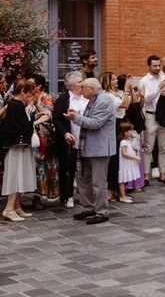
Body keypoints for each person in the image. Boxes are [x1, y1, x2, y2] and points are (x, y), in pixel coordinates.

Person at [64, 78, 116, 225]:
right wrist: (77, 116)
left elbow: (96, 123)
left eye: (83, 88)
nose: (81, 90)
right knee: (82, 178)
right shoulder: (95, 98)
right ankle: (89, 208)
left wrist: (76, 117)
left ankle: (102, 212)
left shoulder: (104, 100)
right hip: (87, 146)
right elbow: (89, 119)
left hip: (99, 148)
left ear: (91, 89)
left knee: (99, 182)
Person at [1, 79, 36, 222]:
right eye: (28, 94)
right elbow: (21, 127)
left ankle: (16, 206)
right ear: (22, 91)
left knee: (20, 174)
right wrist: (35, 119)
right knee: (16, 175)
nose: (28, 97)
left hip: (18, 146)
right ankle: (9, 208)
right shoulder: (16, 105)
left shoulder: (16, 105)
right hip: (16, 147)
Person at [53, 71, 88, 209]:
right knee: (68, 168)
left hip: (86, 140)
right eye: (80, 82)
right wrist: (65, 133)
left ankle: (85, 196)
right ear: (71, 86)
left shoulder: (87, 97)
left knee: (85, 169)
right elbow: (56, 118)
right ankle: (67, 196)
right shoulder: (63, 99)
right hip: (69, 140)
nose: (83, 83)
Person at [139, 55, 165, 185]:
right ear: (149, 66)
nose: (158, 68)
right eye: (155, 66)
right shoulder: (144, 81)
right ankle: (146, 175)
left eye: (159, 65)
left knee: (164, 147)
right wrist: (158, 88)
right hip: (151, 115)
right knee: (148, 147)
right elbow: (146, 98)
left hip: (164, 115)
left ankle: (162, 174)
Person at [101, 72, 131, 202]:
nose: (116, 81)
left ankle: (118, 188)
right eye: (113, 79)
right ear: (107, 82)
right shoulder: (107, 96)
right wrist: (126, 90)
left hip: (122, 122)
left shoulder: (116, 93)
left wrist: (129, 90)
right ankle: (109, 190)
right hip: (114, 125)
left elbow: (128, 104)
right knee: (114, 158)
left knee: (120, 157)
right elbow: (124, 105)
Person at [30, 74, 59, 207]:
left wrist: (37, 105)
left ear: (39, 86)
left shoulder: (46, 97)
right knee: (35, 167)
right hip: (31, 136)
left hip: (44, 137)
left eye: (33, 85)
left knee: (44, 167)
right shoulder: (27, 96)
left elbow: (49, 115)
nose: (30, 87)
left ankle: (43, 195)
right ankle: (35, 196)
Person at [117, 121, 141, 203]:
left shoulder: (129, 140)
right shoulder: (123, 142)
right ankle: (123, 196)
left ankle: (124, 195)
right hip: (125, 164)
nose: (131, 132)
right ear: (124, 132)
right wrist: (134, 157)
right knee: (122, 180)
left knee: (125, 179)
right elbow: (124, 153)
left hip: (128, 163)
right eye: (129, 131)